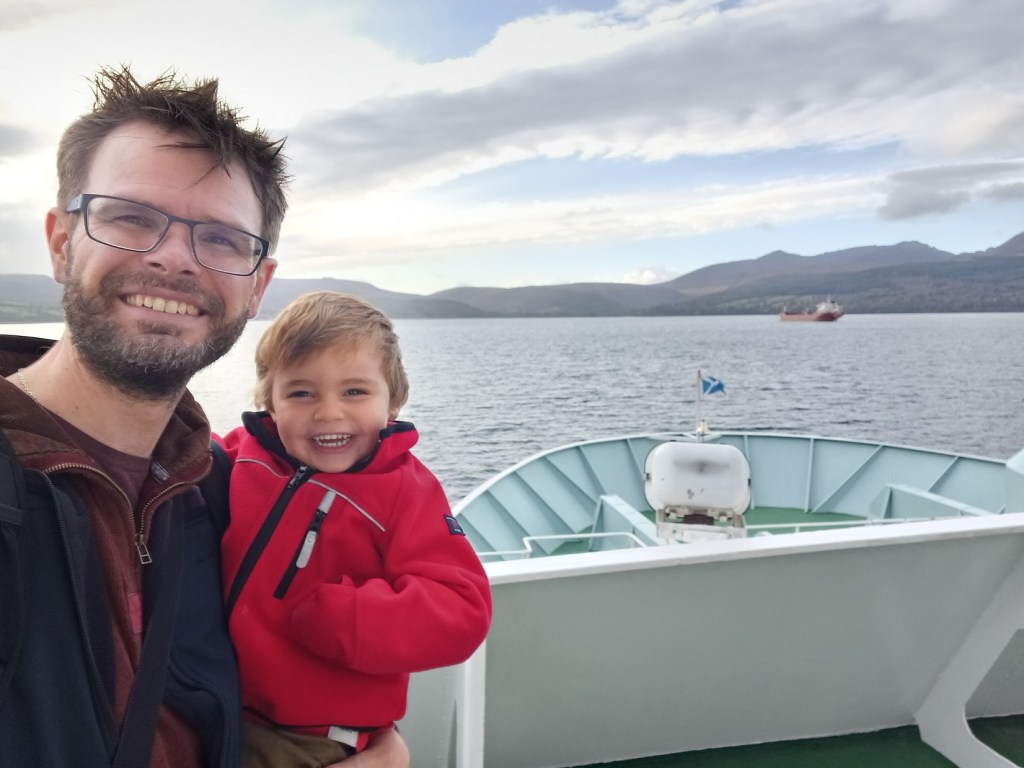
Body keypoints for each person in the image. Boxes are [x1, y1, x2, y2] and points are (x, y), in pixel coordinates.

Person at [0, 67, 409, 767]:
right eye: (130, 217)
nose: (174, 258)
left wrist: (374, 747)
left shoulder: (221, 488)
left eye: (222, 240)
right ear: (62, 243)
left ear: (258, 287)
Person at [217, 291, 492, 767]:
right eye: (301, 393)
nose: (328, 413)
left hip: (310, 737)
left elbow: (462, 609)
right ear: (270, 401)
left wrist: (350, 619)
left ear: (394, 401)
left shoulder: (405, 491)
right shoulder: (244, 456)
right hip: (220, 701)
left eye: (354, 391)